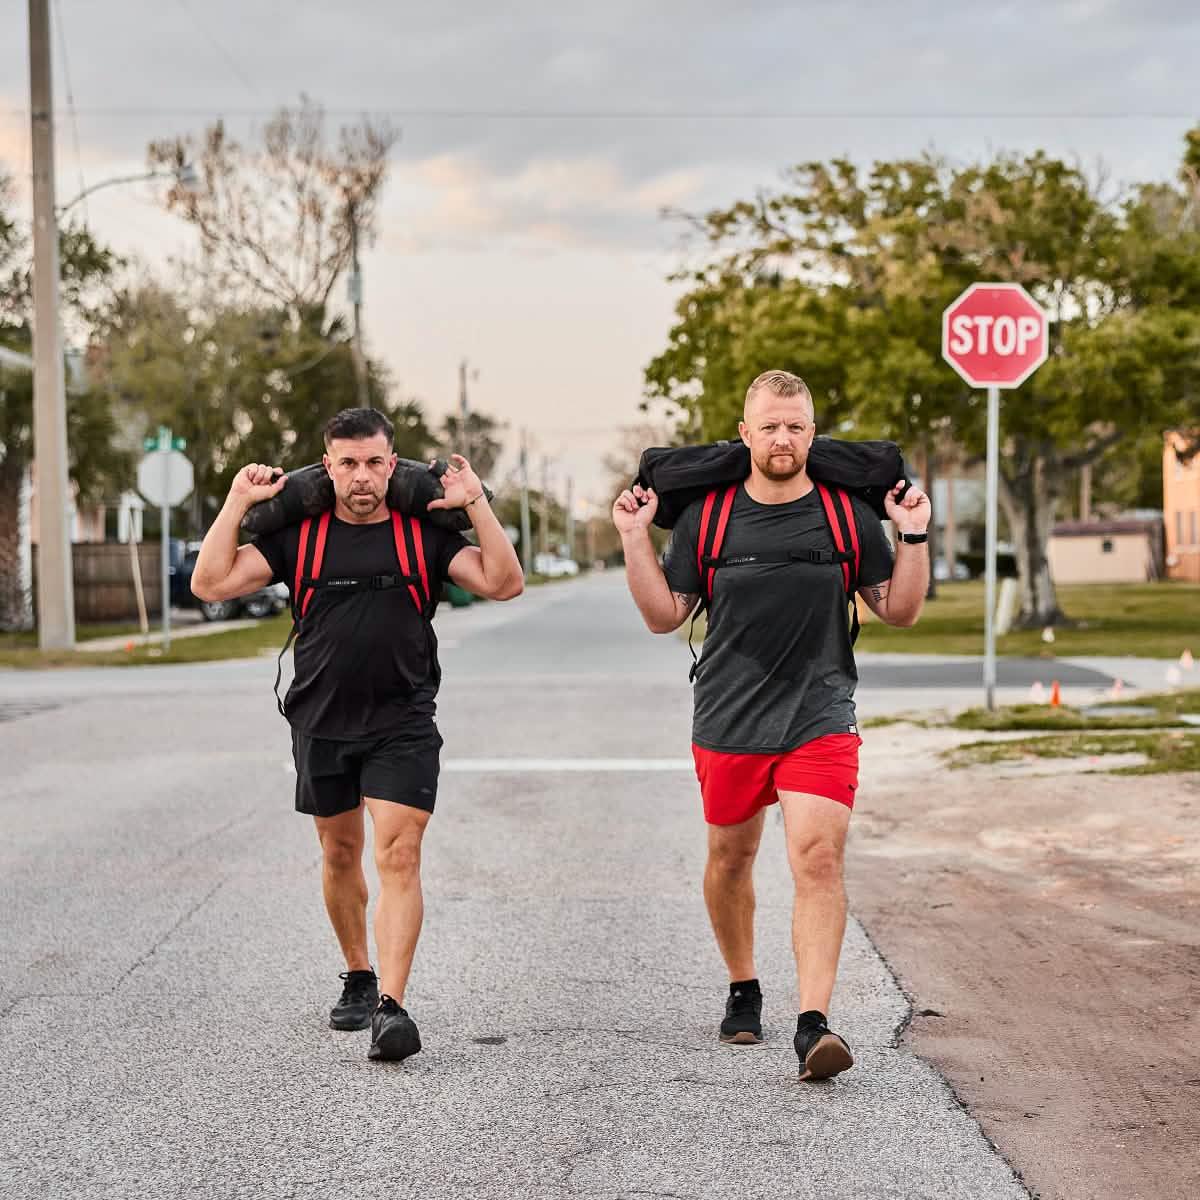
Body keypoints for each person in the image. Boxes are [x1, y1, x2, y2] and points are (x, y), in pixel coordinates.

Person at [612, 370, 930, 1082]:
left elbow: (899, 610)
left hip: (820, 712)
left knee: (818, 858)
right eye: (770, 425)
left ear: (812, 435)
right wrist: (634, 537)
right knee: (731, 857)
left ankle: (814, 1024)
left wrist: (915, 534)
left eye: (795, 426)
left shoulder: (849, 516)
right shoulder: (710, 518)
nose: (782, 438)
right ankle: (743, 985)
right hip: (727, 714)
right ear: (744, 432)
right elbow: (666, 616)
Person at [191, 407, 524, 1062]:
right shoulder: (300, 538)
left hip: (402, 721)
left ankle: (392, 1008)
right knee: (340, 852)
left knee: (398, 854)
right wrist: (235, 502)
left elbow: (504, 582)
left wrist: (476, 503)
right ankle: (357, 972)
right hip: (320, 720)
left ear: (392, 464)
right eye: (347, 463)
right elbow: (209, 583)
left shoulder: (421, 535)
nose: (362, 476)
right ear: (328, 466)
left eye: (374, 462)